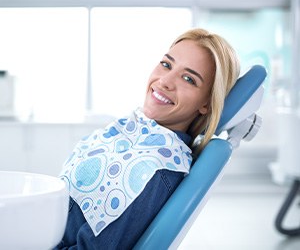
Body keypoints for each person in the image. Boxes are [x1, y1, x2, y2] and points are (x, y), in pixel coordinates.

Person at [54, 28, 240, 249]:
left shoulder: (154, 170)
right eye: (166, 64)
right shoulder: (131, 130)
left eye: (189, 79)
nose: (164, 82)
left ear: (207, 103)